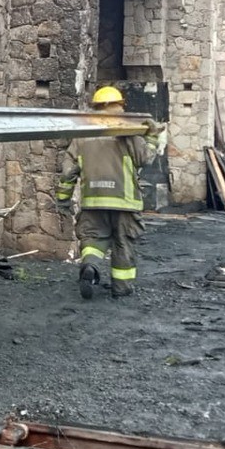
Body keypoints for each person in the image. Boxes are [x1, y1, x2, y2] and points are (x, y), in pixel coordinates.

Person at [55, 86, 163, 300]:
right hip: (124, 201)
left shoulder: (83, 134)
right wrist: (151, 137)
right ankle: (121, 288)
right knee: (123, 243)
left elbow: (68, 172)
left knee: (93, 240)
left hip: (93, 200)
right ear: (120, 105)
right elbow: (145, 158)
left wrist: (63, 199)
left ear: (95, 107)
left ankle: (90, 267)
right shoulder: (126, 129)